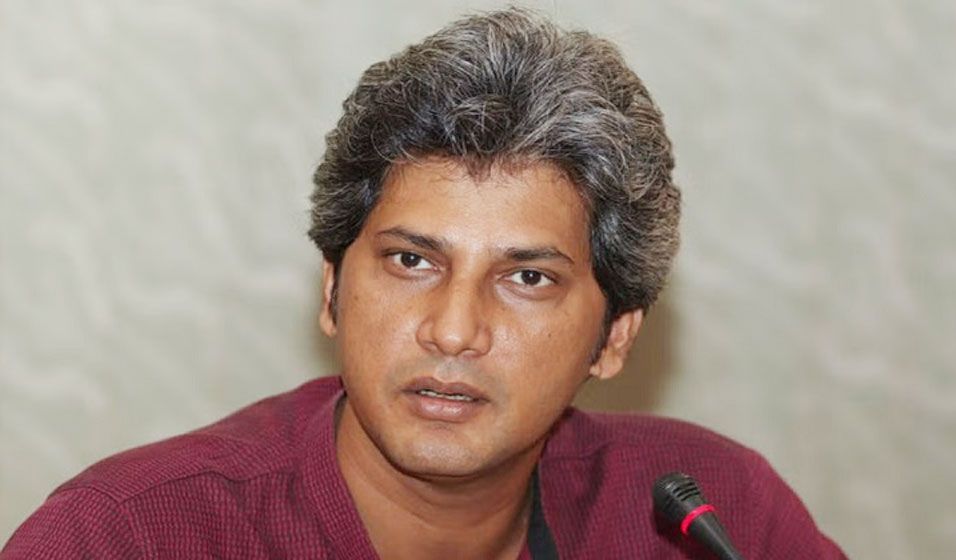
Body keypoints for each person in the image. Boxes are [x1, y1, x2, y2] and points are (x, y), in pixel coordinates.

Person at [2, 8, 845, 559]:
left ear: (613, 337)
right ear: (331, 290)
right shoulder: (128, 536)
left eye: (527, 276)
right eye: (411, 262)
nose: (452, 330)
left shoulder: (704, 519)